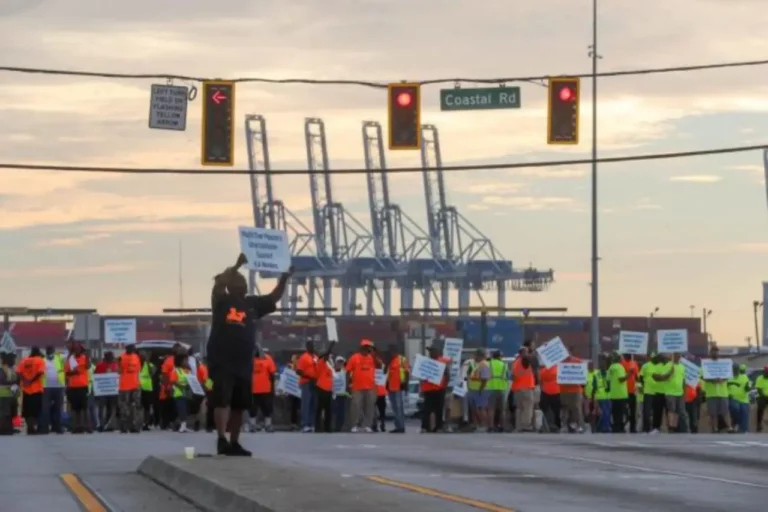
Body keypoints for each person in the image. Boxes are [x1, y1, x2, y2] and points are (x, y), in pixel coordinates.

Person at [206, 253, 290, 455]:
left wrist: (285, 278)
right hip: (222, 360)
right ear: (231, 286)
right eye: (237, 282)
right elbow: (218, 283)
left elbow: (274, 297)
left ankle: (234, 442)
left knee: (239, 405)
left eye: (243, 282)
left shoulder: (252, 304)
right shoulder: (221, 302)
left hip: (243, 363)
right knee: (222, 400)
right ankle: (221, 439)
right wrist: (235, 266)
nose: (242, 284)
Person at [346, 339, 380, 433]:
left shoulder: (372, 357)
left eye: (368, 348)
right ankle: (354, 425)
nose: (367, 349)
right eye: (365, 347)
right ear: (361, 348)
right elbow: (348, 371)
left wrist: (374, 353)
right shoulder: (354, 357)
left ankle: (367, 425)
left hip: (370, 387)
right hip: (357, 387)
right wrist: (348, 384)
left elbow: (379, 366)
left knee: (370, 407)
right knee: (356, 406)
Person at [653, 352, 687, 432]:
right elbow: (662, 377)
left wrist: (684, 392)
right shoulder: (668, 365)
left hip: (680, 393)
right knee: (672, 411)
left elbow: (683, 380)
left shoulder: (682, 367)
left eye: (678, 355)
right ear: (672, 356)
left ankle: (680, 429)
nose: (677, 357)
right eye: (675, 355)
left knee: (681, 411)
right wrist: (670, 372)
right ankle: (672, 428)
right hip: (670, 392)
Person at [420, 345, 451, 433]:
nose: (430, 353)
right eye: (429, 352)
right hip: (428, 390)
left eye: (431, 351)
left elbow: (447, 375)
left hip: (439, 389)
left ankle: (438, 427)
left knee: (438, 409)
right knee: (427, 409)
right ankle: (425, 427)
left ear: (437, 352)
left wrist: (445, 386)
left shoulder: (442, 362)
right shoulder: (427, 362)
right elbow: (422, 376)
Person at [701, 345, 732, 433]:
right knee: (712, 413)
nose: (715, 353)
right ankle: (715, 428)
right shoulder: (705, 364)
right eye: (713, 351)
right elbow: (703, 376)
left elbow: (728, 375)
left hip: (723, 393)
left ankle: (729, 427)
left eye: (716, 352)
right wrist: (712, 380)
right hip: (711, 393)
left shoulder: (724, 364)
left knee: (725, 411)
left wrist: (722, 379)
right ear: (710, 353)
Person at [17, 347, 45, 435]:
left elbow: (19, 372)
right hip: (36, 390)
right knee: (36, 411)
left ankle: (29, 427)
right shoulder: (40, 360)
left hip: (26, 390)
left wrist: (25, 380)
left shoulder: (24, 361)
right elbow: (40, 373)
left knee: (27, 411)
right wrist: (31, 381)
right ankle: (33, 427)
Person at [250, 346, 277, 432]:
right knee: (252, 408)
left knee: (267, 408)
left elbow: (272, 374)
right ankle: (252, 425)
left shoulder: (267, 359)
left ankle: (268, 425)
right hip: (253, 389)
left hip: (265, 389)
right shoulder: (249, 360)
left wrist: (273, 387)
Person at [65, 343, 90, 434]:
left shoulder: (84, 358)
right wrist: (74, 373)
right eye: (75, 349)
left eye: (79, 349)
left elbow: (88, 366)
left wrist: (87, 355)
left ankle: (87, 426)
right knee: (75, 409)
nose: (77, 351)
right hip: (73, 387)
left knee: (84, 407)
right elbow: (67, 373)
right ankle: (76, 426)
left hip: (83, 386)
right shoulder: (70, 359)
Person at [118, 343, 142, 434]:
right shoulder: (121, 357)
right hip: (124, 386)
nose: (132, 349)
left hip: (135, 385)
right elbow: (119, 371)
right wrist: (119, 363)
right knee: (124, 407)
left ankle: (134, 426)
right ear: (126, 348)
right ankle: (124, 426)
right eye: (130, 347)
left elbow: (138, 369)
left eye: (133, 347)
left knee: (135, 406)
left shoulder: (136, 357)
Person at [511, 347, 535, 432]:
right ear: (523, 353)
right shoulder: (526, 361)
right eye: (526, 352)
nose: (528, 354)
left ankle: (519, 426)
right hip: (527, 388)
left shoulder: (515, 363)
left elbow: (513, 376)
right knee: (527, 408)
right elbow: (534, 357)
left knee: (520, 409)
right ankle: (526, 425)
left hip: (517, 388)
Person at [386, 344, 410, 433]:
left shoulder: (402, 360)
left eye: (392, 350)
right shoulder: (391, 361)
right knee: (395, 408)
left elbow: (407, 372)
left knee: (399, 407)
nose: (390, 353)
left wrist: (406, 384)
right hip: (391, 387)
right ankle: (397, 426)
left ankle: (401, 427)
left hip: (399, 387)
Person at [314, 342, 337, 433]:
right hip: (321, 388)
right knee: (320, 408)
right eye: (327, 356)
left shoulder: (328, 364)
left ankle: (327, 427)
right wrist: (331, 346)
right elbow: (326, 354)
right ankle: (318, 427)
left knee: (328, 409)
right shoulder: (321, 362)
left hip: (328, 389)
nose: (328, 357)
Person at [296, 341, 318, 433]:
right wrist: (310, 377)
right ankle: (304, 424)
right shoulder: (304, 357)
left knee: (313, 404)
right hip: (306, 383)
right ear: (308, 347)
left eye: (315, 346)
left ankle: (311, 424)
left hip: (315, 384)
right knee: (306, 404)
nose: (314, 347)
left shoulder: (316, 357)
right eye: (313, 346)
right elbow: (299, 371)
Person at [466, 349, 491, 432]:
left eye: (476, 355)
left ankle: (484, 425)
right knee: (476, 409)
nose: (474, 357)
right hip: (474, 389)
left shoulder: (484, 365)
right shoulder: (478, 364)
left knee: (481, 408)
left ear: (480, 356)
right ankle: (478, 425)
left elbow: (485, 379)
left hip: (480, 390)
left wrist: (481, 389)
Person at [95, 351, 119, 432]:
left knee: (110, 408)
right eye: (110, 357)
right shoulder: (100, 366)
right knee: (101, 408)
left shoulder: (115, 365)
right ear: (105, 357)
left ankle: (106, 424)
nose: (111, 358)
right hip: (102, 391)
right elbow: (96, 377)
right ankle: (101, 425)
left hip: (112, 391)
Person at [169, 352, 191, 433]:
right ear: (180, 361)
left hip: (187, 394)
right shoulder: (176, 370)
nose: (187, 362)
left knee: (186, 410)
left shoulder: (187, 371)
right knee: (181, 409)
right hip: (179, 393)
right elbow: (173, 381)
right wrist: (182, 386)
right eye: (185, 360)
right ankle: (182, 425)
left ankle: (183, 425)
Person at [727, 364, 750, 433]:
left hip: (743, 399)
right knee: (735, 407)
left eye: (737, 370)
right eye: (734, 370)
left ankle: (743, 430)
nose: (736, 371)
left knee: (744, 411)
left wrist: (748, 387)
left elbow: (747, 387)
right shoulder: (728, 377)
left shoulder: (744, 377)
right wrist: (728, 395)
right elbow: (724, 387)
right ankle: (735, 424)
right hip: (732, 398)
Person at [620, 353, 639, 433]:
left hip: (632, 391)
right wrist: (628, 373)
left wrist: (638, 384)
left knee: (633, 411)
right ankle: (622, 427)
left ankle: (632, 428)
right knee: (624, 411)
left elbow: (637, 377)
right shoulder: (621, 364)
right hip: (623, 391)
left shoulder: (634, 363)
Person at [0, 352, 18, 435]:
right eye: (12, 360)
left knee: (10, 412)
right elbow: (2, 380)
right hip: (3, 394)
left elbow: (16, 378)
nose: (14, 361)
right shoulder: (2, 368)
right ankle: (3, 429)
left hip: (11, 394)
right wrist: (13, 382)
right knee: (4, 413)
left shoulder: (11, 368)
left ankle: (9, 428)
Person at [138, 352, 155, 431]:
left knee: (147, 407)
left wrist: (148, 363)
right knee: (138, 406)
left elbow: (152, 372)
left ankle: (146, 423)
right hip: (137, 387)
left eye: (143, 357)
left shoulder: (149, 364)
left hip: (147, 388)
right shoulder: (136, 364)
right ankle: (138, 422)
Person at [332, 356, 349, 432]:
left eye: (341, 362)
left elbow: (347, 382)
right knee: (333, 411)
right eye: (338, 362)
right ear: (335, 363)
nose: (340, 364)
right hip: (333, 395)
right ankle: (332, 426)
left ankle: (339, 427)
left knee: (341, 412)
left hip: (342, 395)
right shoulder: (331, 371)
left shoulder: (345, 372)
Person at [755, 366, 768, 432]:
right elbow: (759, 389)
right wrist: (765, 395)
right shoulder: (760, 378)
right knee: (760, 407)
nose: (767, 374)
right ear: (764, 372)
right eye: (766, 372)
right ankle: (759, 424)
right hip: (762, 396)